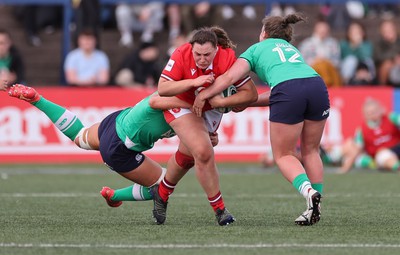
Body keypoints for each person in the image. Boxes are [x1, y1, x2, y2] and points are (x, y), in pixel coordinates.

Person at [193, 14, 330, 226]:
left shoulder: (256, 49)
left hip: (289, 90)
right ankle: (316, 206)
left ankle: (309, 192)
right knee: (311, 150)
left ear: (263, 33)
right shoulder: (292, 50)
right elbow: (283, 91)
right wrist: (246, 103)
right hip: (317, 86)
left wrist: (205, 96)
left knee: (284, 155)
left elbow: (229, 78)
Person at [151, 26, 258, 226]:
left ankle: (162, 191)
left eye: (207, 55)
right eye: (197, 54)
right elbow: (162, 89)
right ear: (191, 49)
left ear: (216, 50)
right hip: (181, 104)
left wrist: (221, 103)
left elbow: (251, 94)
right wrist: (194, 83)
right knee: (203, 151)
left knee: (188, 157)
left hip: (209, 109)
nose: (201, 59)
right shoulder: (181, 53)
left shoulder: (227, 58)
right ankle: (220, 210)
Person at [339, 98, 400, 173]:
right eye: (368, 113)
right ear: (364, 114)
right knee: (383, 155)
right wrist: (345, 168)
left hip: (397, 147)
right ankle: (397, 166)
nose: (372, 115)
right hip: (381, 156)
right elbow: (356, 149)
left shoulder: (391, 118)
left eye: (374, 111)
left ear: (381, 110)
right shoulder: (361, 130)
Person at [298, 18, 342, 87]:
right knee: (320, 65)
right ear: (315, 29)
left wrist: (324, 61)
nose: (323, 30)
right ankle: (325, 83)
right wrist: (316, 61)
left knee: (324, 64)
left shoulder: (333, 43)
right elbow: (302, 61)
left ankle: (326, 83)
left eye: (325, 29)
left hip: (329, 69)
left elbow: (336, 61)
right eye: (321, 28)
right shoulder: (306, 44)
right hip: (313, 69)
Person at [373, 19, 400, 85]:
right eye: (385, 30)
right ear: (381, 32)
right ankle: (382, 91)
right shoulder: (379, 44)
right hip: (386, 70)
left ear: (394, 29)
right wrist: (394, 59)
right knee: (387, 64)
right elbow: (378, 57)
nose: (388, 32)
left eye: (389, 29)